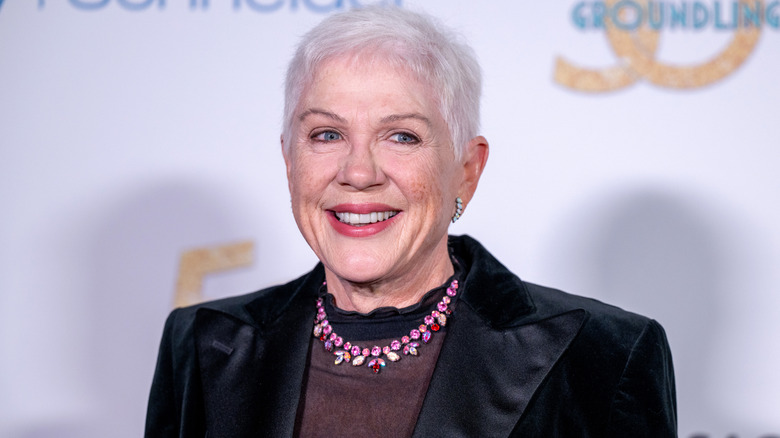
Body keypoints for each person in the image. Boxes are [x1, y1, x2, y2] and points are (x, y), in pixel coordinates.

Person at [145, 6, 676, 437]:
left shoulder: (604, 360)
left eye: (402, 136)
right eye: (326, 134)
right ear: (290, 161)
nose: (358, 173)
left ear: (467, 172)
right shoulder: (200, 347)